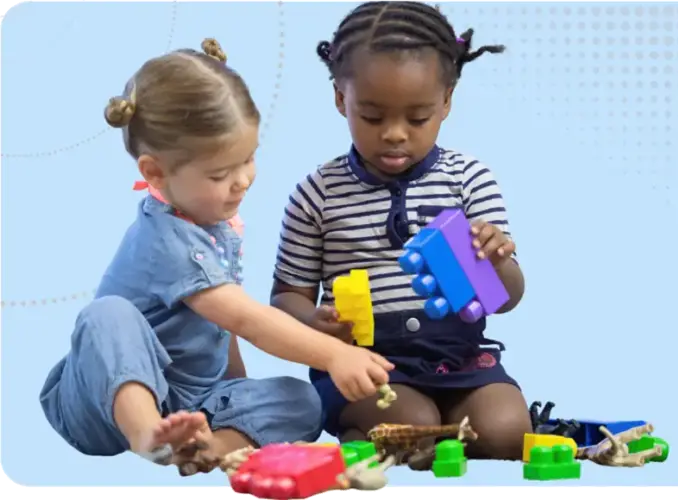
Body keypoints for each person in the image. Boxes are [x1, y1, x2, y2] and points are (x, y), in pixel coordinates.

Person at [39, 38, 393, 475]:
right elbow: (246, 319)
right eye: (221, 173)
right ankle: (149, 434)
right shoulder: (167, 238)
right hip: (99, 403)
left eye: (249, 159)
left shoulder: (213, 224)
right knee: (107, 315)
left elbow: (225, 327)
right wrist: (333, 355)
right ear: (155, 172)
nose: (243, 180)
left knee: (304, 400)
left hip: (190, 402)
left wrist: (239, 397)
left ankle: (208, 447)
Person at [271, 1, 533, 461]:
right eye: (373, 117)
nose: (395, 134)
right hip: (364, 364)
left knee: (508, 433)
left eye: (417, 118)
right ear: (340, 98)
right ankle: (363, 427)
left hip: (462, 360)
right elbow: (286, 296)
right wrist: (314, 323)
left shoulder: (468, 179)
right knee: (413, 429)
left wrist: (496, 262)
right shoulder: (317, 194)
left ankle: (436, 429)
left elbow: (506, 298)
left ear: (446, 101)